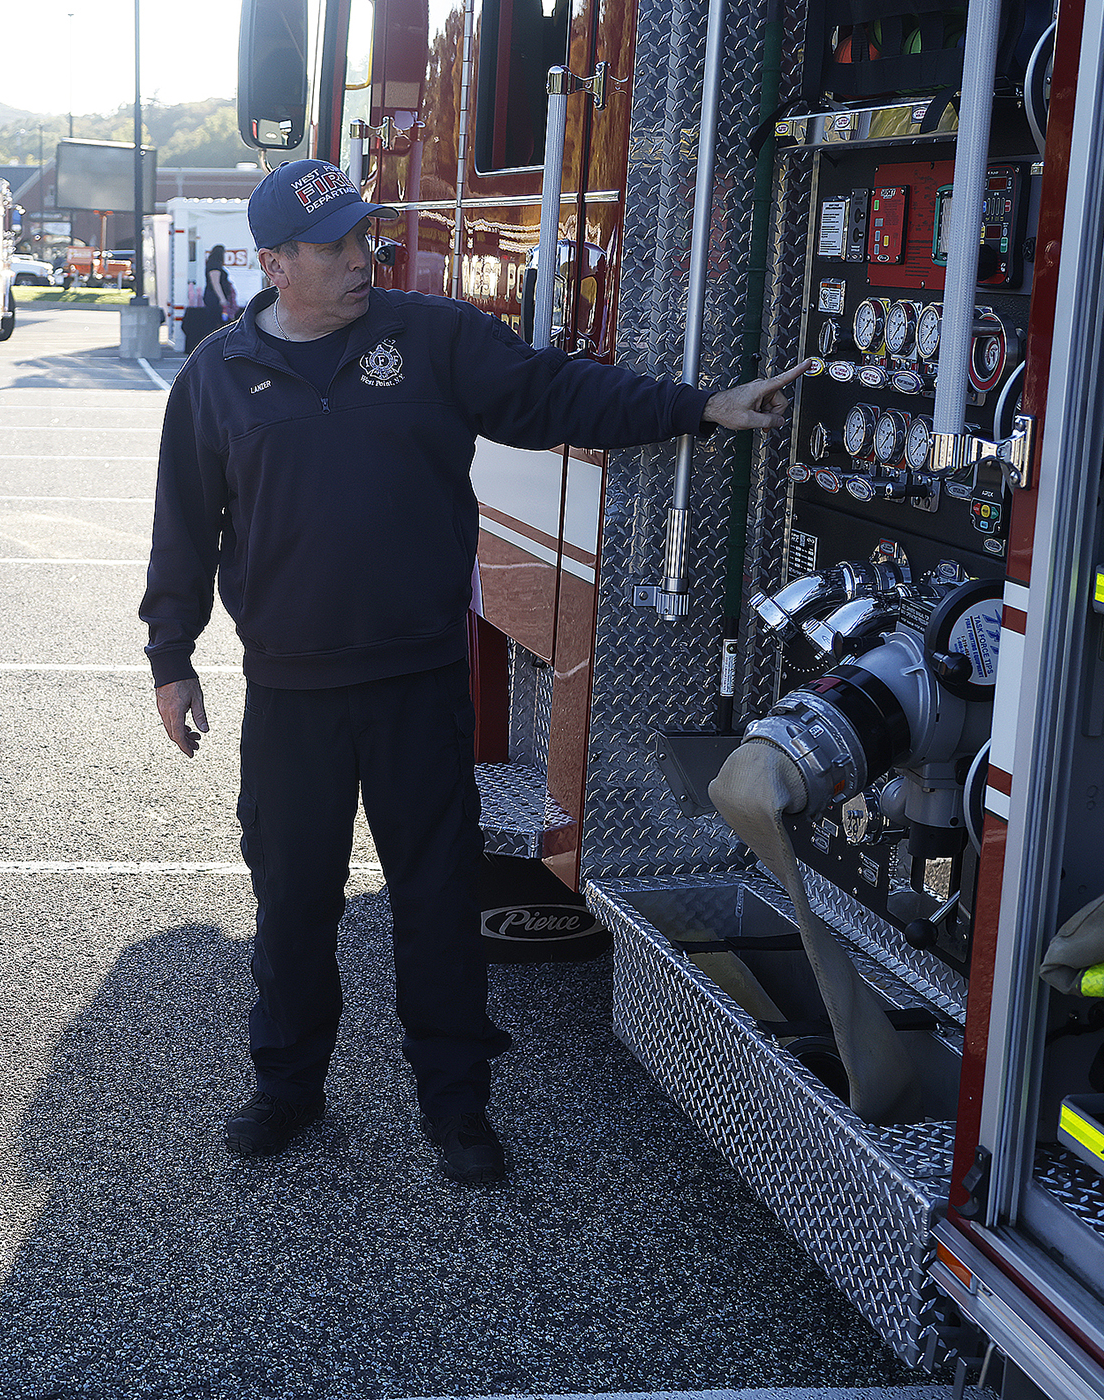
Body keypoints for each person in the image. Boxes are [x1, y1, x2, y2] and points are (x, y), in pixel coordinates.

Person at [140, 159, 806, 1186]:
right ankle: (287, 1086)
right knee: (293, 902)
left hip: (417, 684)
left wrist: (700, 406)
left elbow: (555, 391)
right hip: (291, 695)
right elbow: (184, 530)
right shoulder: (217, 378)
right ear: (274, 264)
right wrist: (171, 658)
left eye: (369, 236)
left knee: (438, 904)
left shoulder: (431, 338)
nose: (367, 256)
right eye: (338, 245)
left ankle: (456, 1103)